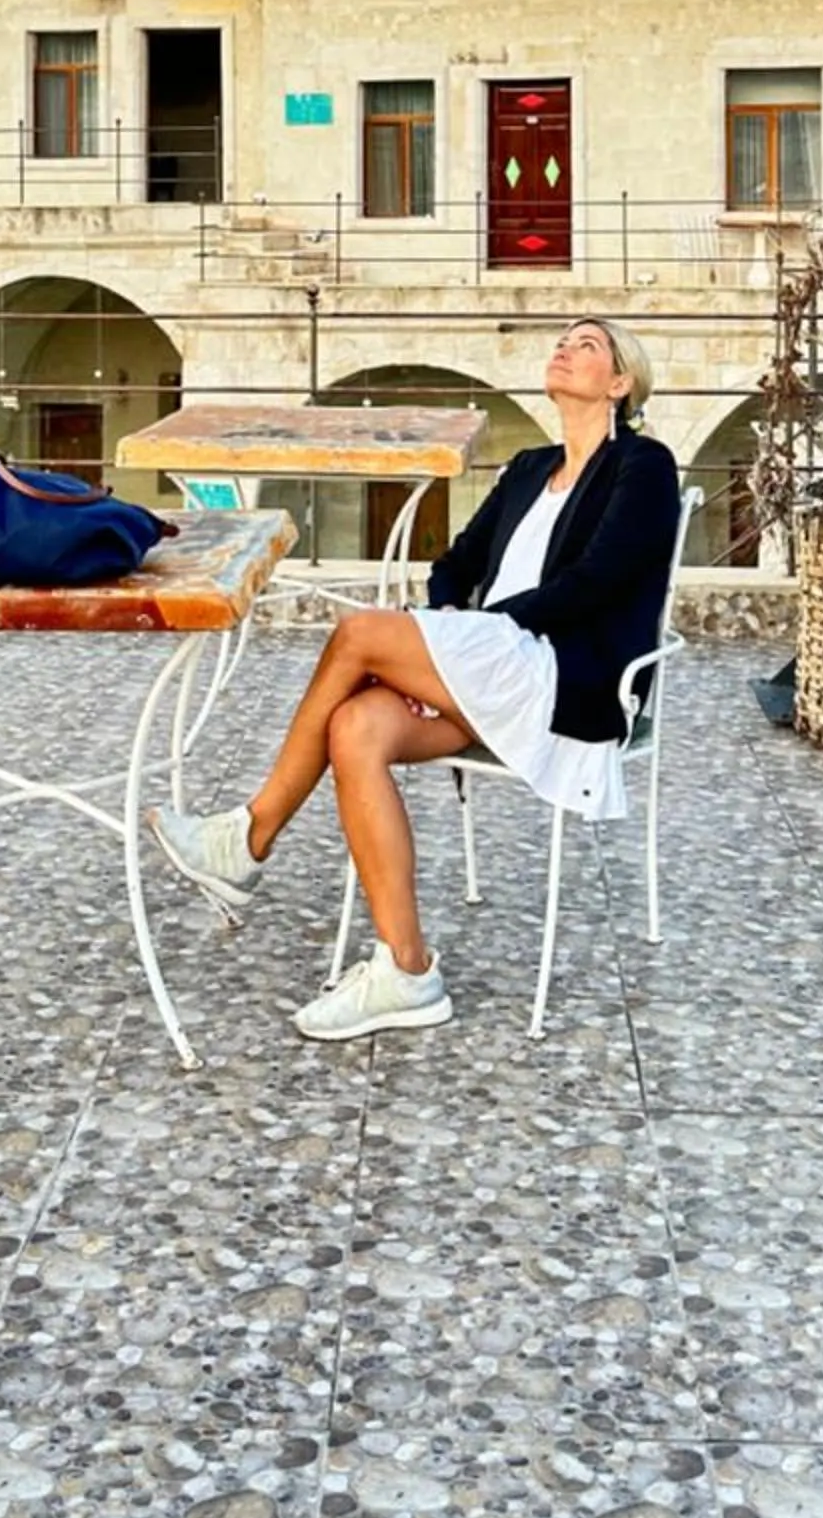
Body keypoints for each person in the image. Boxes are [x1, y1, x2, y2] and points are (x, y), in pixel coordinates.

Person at [147, 318, 682, 1040]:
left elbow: (595, 584)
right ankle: (408, 970)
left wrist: (464, 637)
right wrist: (443, 639)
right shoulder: (528, 467)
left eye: (588, 345)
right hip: (491, 668)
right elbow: (455, 566)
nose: (565, 348)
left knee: (360, 632)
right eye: (561, 338)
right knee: (355, 725)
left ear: (620, 383)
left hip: (564, 674)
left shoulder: (642, 466)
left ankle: (247, 839)